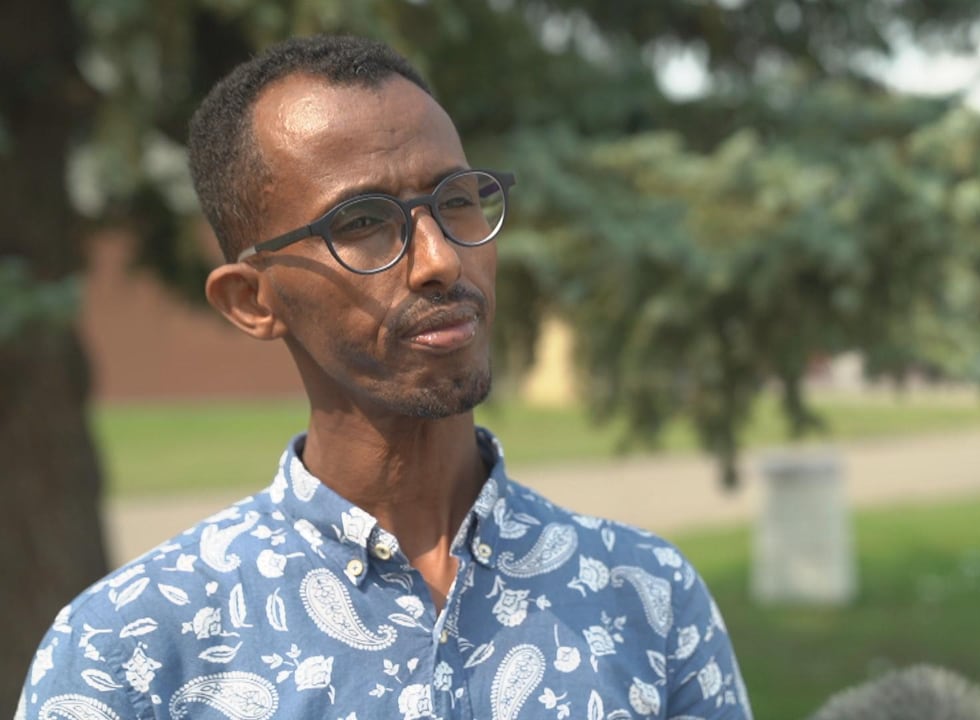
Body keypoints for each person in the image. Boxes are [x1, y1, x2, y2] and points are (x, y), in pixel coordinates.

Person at [17, 35, 750, 720]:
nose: (441, 260)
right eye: (364, 221)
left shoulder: (645, 596)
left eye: (457, 200)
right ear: (252, 301)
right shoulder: (129, 650)